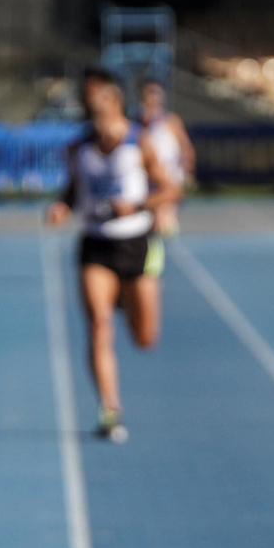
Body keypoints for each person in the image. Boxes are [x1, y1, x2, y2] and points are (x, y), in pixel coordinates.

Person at [47, 68, 182, 443]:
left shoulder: (140, 142)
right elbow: (71, 192)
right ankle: (110, 410)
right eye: (89, 108)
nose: (93, 114)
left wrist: (138, 205)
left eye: (99, 105)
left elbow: (171, 189)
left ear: (115, 104)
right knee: (98, 325)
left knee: (144, 338)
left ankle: (127, 298)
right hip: (96, 245)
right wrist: (61, 207)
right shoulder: (78, 148)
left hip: (136, 244)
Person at [139, 80, 195, 236]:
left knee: (162, 224)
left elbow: (186, 147)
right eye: (149, 94)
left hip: (168, 179)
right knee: (148, 222)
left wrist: (187, 170)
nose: (152, 98)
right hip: (147, 179)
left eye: (155, 94)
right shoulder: (138, 122)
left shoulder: (171, 121)